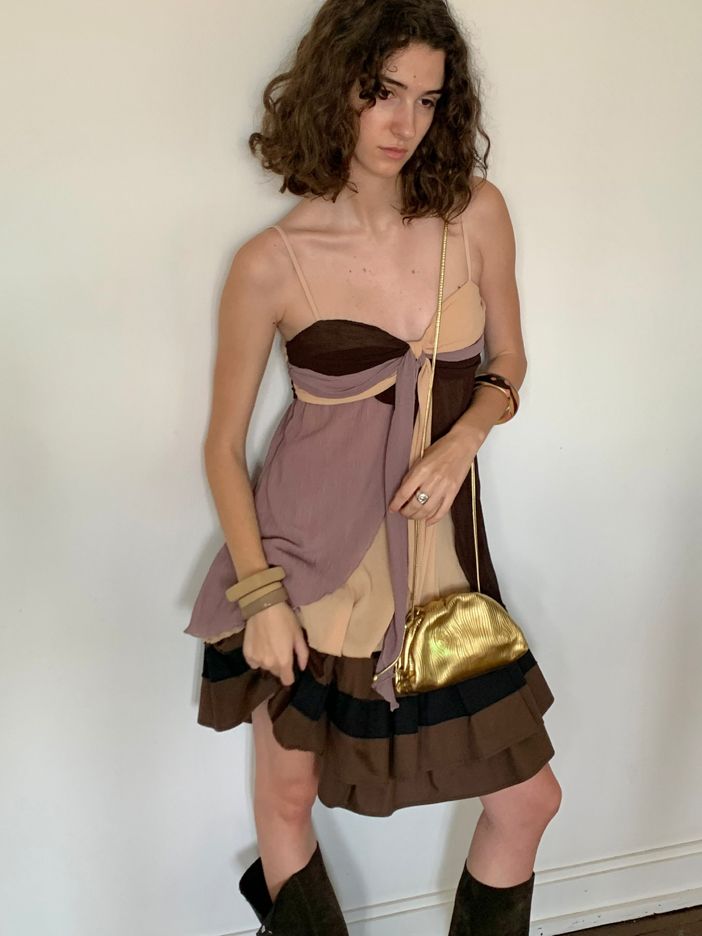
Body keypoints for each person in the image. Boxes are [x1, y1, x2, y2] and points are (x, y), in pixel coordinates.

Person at [184, 1, 562, 933]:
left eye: (428, 101)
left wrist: (463, 439)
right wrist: (261, 599)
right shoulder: (272, 262)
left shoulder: (475, 215)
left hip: (437, 565)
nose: (405, 124)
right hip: (302, 564)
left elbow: (509, 361)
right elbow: (222, 447)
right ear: (335, 91)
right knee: (287, 797)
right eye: (383, 93)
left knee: (527, 799)